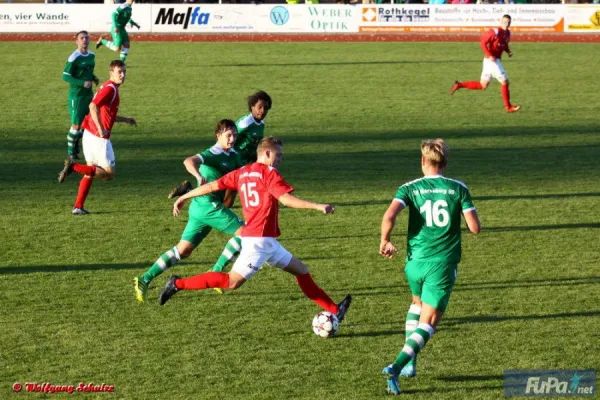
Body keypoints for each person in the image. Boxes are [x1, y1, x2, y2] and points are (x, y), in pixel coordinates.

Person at [158, 137, 352, 327]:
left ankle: (335, 310)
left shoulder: (243, 172)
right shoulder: (269, 174)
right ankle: (177, 284)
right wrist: (318, 206)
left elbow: (211, 186)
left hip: (265, 240)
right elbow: (286, 200)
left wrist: (185, 197)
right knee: (232, 282)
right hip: (258, 242)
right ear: (267, 153)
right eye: (279, 154)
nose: (281, 159)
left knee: (301, 270)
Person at [379, 139, 481, 395]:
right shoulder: (458, 188)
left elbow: (390, 215)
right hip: (442, 264)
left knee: (416, 304)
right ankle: (397, 365)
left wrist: (385, 240)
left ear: (423, 161)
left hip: (414, 262)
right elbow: (474, 228)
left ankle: (410, 364)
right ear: (445, 162)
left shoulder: (409, 188)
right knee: (430, 321)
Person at [133, 120, 244, 303]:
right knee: (246, 232)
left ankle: (145, 279)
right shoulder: (213, 152)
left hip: (201, 207)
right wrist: (198, 175)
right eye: (228, 135)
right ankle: (216, 271)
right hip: (208, 206)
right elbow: (189, 161)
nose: (232, 139)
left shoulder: (233, 154)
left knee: (183, 251)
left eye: (234, 135)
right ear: (218, 136)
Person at [167, 91, 273, 278]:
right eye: (259, 107)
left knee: (227, 203)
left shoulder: (260, 124)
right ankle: (219, 267)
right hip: (231, 165)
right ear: (251, 107)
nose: (262, 111)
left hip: (238, 164)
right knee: (229, 206)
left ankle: (194, 193)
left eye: (266, 108)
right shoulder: (243, 124)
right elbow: (226, 139)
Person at [57, 60, 137, 215]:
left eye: (124, 71)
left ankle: (78, 206)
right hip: (98, 137)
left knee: (91, 172)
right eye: (119, 72)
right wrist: (100, 129)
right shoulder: (110, 89)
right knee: (109, 174)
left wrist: (125, 119)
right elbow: (92, 106)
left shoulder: (108, 87)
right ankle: (73, 167)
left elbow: (106, 114)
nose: (122, 75)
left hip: (88, 134)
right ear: (111, 73)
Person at [450, 14, 520, 113]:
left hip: (489, 61)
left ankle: (459, 85)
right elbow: (482, 42)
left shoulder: (508, 33)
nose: (506, 24)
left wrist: (508, 51)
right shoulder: (495, 31)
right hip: (492, 60)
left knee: (483, 85)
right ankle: (508, 107)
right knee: (505, 81)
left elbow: (504, 44)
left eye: (508, 22)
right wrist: (489, 54)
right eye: (505, 22)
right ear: (500, 21)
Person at [62, 30, 99, 160]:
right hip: (76, 96)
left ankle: (76, 141)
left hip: (88, 95)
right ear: (77, 41)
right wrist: (82, 83)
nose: (85, 40)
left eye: (86, 38)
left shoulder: (92, 55)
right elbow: (65, 76)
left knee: (88, 122)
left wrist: (93, 78)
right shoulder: (74, 57)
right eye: (82, 38)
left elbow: (87, 71)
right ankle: (71, 151)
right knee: (76, 125)